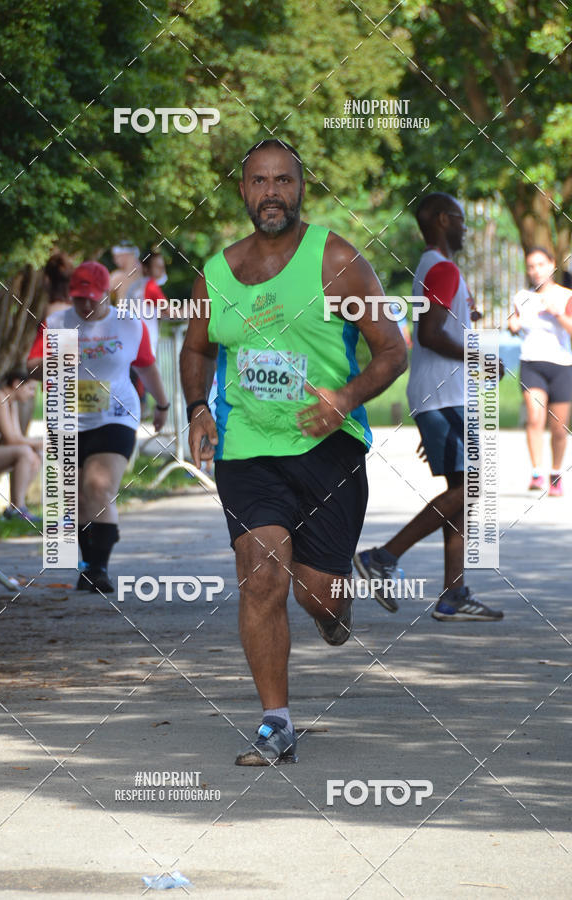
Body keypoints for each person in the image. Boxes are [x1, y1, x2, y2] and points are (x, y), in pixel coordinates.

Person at [180, 139, 407, 766]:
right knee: (261, 575)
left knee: (316, 593)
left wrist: (345, 396)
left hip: (328, 447)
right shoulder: (217, 273)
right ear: (243, 190)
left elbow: (392, 351)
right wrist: (199, 408)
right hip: (248, 448)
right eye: (259, 181)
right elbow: (196, 349)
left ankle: (335, 610)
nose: (272, 192)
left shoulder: (336, 260)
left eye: (284, 180)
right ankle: (275, 724)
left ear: (300, 188)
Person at [354, 192, 504, 623]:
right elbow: (430, 334)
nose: (465, 228)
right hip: (445, 395)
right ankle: (385, 555)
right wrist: (482, 360)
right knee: (472, 487)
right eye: (460, 218)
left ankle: (453, 594)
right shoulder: (440, 268)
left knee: (465, 492)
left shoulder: (436, 268)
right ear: (442, 219)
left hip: (443, 396)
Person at [28, 261, 170, 592]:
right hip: (65, 415)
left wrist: (162, 404)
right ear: (70, 295)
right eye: (79, 299)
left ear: (107, 294)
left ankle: (99, 568)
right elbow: (31, 367)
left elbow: (147, 367)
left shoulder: (128, 324)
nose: (86, 306)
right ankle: (86, 563)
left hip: (115, 414)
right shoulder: (57, 322)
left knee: (99, 486)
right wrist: (53, 360)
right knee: (76, 494)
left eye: (93, 298)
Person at [508, 247, 572, 496]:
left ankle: (555, 473)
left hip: (561, 365)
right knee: (534, 418)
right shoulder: (522, 296)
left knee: (558, 427)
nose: (535, 271)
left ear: (552, 265)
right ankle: (536, 472)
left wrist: (557, 313)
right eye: (531, 266)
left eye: (540, 265)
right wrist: (512, 325)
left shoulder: (566, 296)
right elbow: (515, 321)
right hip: (531, 362)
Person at [0, 370, 42, 522]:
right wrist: (42, 443)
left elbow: (16, 438)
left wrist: (39, 445)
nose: (32, 394)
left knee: (35, 455)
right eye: (30, 388)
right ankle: (18, 509)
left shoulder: (12, 402)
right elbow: (11, 439)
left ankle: (15, 509)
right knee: (25, 452)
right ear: (16, 383)